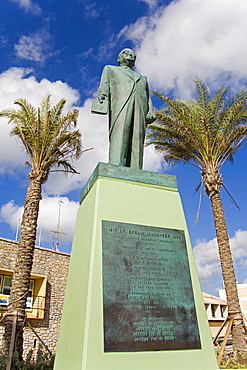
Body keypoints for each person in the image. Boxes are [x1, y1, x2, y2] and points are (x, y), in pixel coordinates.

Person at [92, 48, 156, 169]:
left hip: (140, 107)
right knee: (119, 133)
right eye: (126, 53)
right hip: (120, 104)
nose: (130, 55)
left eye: (133, 55)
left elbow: (147, 96)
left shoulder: (143, 78)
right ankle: (116, 165)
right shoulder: (110, 69)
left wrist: (150, 110)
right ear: (119, 58)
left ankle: (136, 168)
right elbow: (104, 86)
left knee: (137, 136)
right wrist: (103, 97)